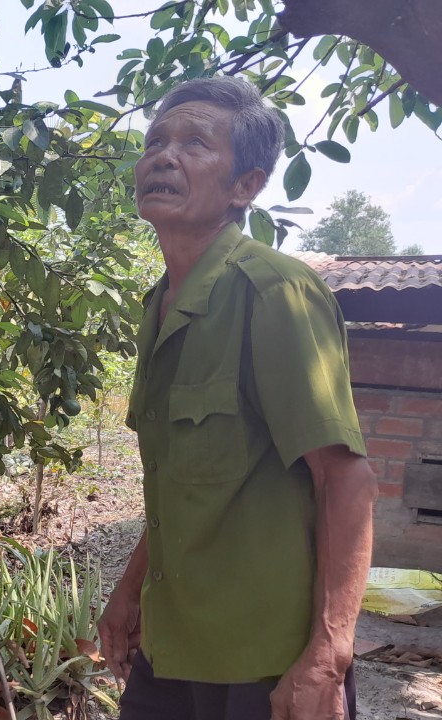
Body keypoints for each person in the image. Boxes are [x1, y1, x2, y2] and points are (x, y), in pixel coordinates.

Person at [98, 76, 377, 720]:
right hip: (173, 649)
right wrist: (130, 590)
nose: (164, 157)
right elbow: (182, 487)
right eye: (155, 142)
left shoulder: (274, 291)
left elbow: (346, 480)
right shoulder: (159, 305)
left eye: (196, 143)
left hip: (265, 662)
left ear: (245, 186)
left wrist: (328, 655)